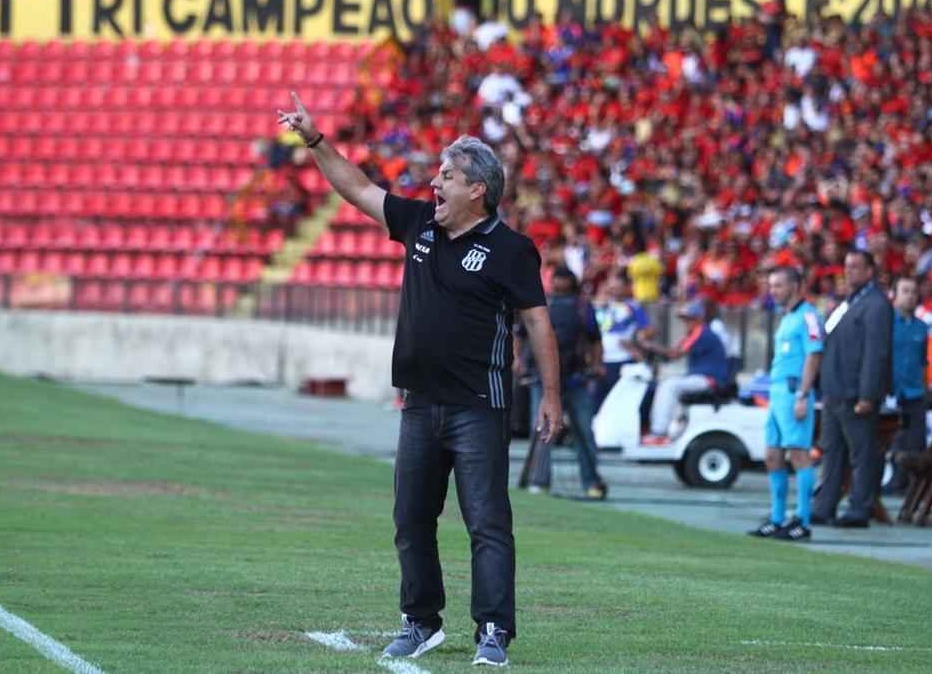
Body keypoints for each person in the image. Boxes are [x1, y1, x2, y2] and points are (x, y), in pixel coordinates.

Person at [275, 93, 562, 668]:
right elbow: (357, 188)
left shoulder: (511, 250)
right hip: (420, 402)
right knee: (410, 518)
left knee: (486, 521)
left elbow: (536, 322)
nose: (436, 184)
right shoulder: (418, 226)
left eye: (447, 176)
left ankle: (494, 631)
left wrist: (552, 395)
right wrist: (314, 140)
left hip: (479, 406)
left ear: (477, 189)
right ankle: (421, 621)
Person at [812, 250, 893, 528]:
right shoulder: (847, 302)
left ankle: (860, 508)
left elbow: (876, 353)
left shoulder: (877, 304)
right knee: (831, 451)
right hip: (834, 391)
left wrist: (868, 394)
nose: (849, 272)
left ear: (870, 271)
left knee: (861, 454)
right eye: (847, 266)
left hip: (854, 393)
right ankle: (825, 506)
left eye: (856, 267)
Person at [517, 266, 608, 500]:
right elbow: (519, 334)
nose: (559, 283)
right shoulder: (541, 302)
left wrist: (597, 363)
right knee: (544, 429)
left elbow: (595, 340)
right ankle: (539, 480)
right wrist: (517, 358)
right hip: (543, 374)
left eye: (562, 279)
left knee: (582, 430)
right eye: (557, 279)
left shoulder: (581, 306)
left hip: (575, 375)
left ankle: (590, 481)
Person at [750, 268, 823, 541]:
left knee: (799, 454)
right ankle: (777, 517)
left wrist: (803, 395)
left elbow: (814, 356)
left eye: (779, 285)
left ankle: (802, 520)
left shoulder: (809, 316)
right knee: (772, 455)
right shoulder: (786, 317)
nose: (773, 291)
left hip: (794, 391)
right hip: (777, 392)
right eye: (771, 285)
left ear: (795, 286)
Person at [640, 299, 729, 444]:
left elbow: (674, 354)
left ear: (699, 318)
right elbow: (672, 354)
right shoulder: (693, 332)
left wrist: (648, 345)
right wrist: (651, 349)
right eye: (685, 319)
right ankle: (655, 428)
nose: (686, 322)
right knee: (663, 384)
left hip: (710, 379)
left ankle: (659, 433)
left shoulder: (701, 332)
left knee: (669, 386)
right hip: (701, 376)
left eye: (689, 318)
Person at [885, 275, 930, 495]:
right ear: (894, 295)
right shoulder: (886, 323)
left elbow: (923, 361)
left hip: (914, 392)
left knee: (915, 440)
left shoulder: (922, 327)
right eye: (906, 291)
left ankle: (912, 484)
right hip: (890, 391)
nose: (911, 296)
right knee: (892, 439)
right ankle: (894, 479)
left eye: (914, 292)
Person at [592, 273, 651, 409]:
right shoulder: (602, 305)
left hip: (623, 359)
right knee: (599, 403)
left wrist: (636, 339)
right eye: (611, 287)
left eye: (617, 287)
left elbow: (648, 329)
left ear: (626, 287)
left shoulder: (633, 307)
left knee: (622, 401)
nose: (613, 290)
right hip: (603, 360)